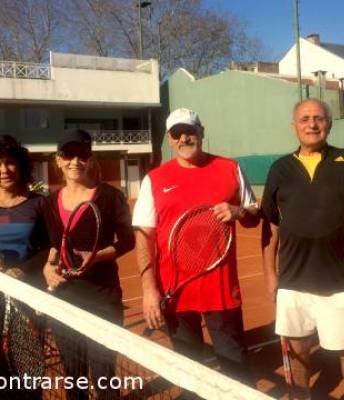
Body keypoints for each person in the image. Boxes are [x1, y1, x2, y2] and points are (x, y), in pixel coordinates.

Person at [261, 98, 344, 400]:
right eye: (305, 119)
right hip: (293, 283)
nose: (312, 124)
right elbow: (269, 227)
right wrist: (271, 275)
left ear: (329, 124)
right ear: (294, 126)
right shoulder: (280, 168)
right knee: (298, 353)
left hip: (341, 282)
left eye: (319, 118)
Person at [133, 108, 259, 387]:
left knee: (236, 372)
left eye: (189, 131)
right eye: (177, 134)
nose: (184, 138)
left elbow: (253, 214)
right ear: (169, 139)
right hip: (175, 292)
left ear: (202, 132)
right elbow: (144, 236)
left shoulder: (230, 168)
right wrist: (148, 289)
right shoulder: (154, 179)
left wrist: (238, 211)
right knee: (189, 374)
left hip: (222, 291)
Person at [42, 129, 135, 400]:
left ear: (90, 158)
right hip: (64, 300)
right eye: (68, 154)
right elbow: (54, 243)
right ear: (58, 159)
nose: (75, 161)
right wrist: (49, 267)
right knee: (74, 375)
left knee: (104, 374)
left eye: (81, 154)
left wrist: (96, 257)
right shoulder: (50, 202)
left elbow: (127, 241)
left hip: (102, 299)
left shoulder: (110, 196)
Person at [0, 135, 48, 399]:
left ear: (20, 165)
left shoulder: (37, 203)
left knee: (27, 375)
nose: (4, 170)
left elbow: (49, 248)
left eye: (9, 162)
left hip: (27, 298)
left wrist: (22, 270)